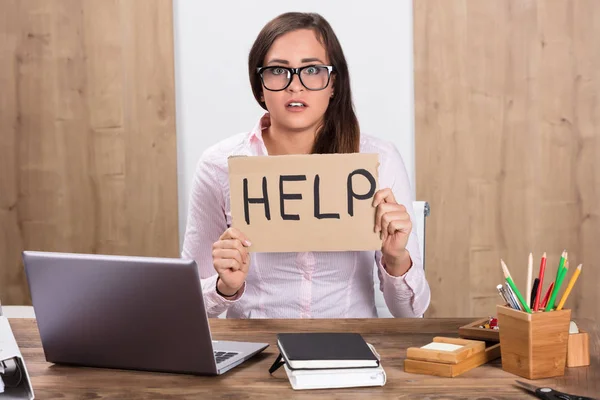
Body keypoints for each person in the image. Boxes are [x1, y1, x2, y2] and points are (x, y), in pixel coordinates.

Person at [182, 12, 430, 318]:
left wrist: (396, 258)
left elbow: (411, 312)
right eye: (277, 70)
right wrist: (225, 287)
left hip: (350, 348)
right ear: (259, 86)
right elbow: (189, 306)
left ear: (333, 84)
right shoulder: (219, 166)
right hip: (258, 351)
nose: (295, 86)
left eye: (312, 70)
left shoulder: (380, 160)